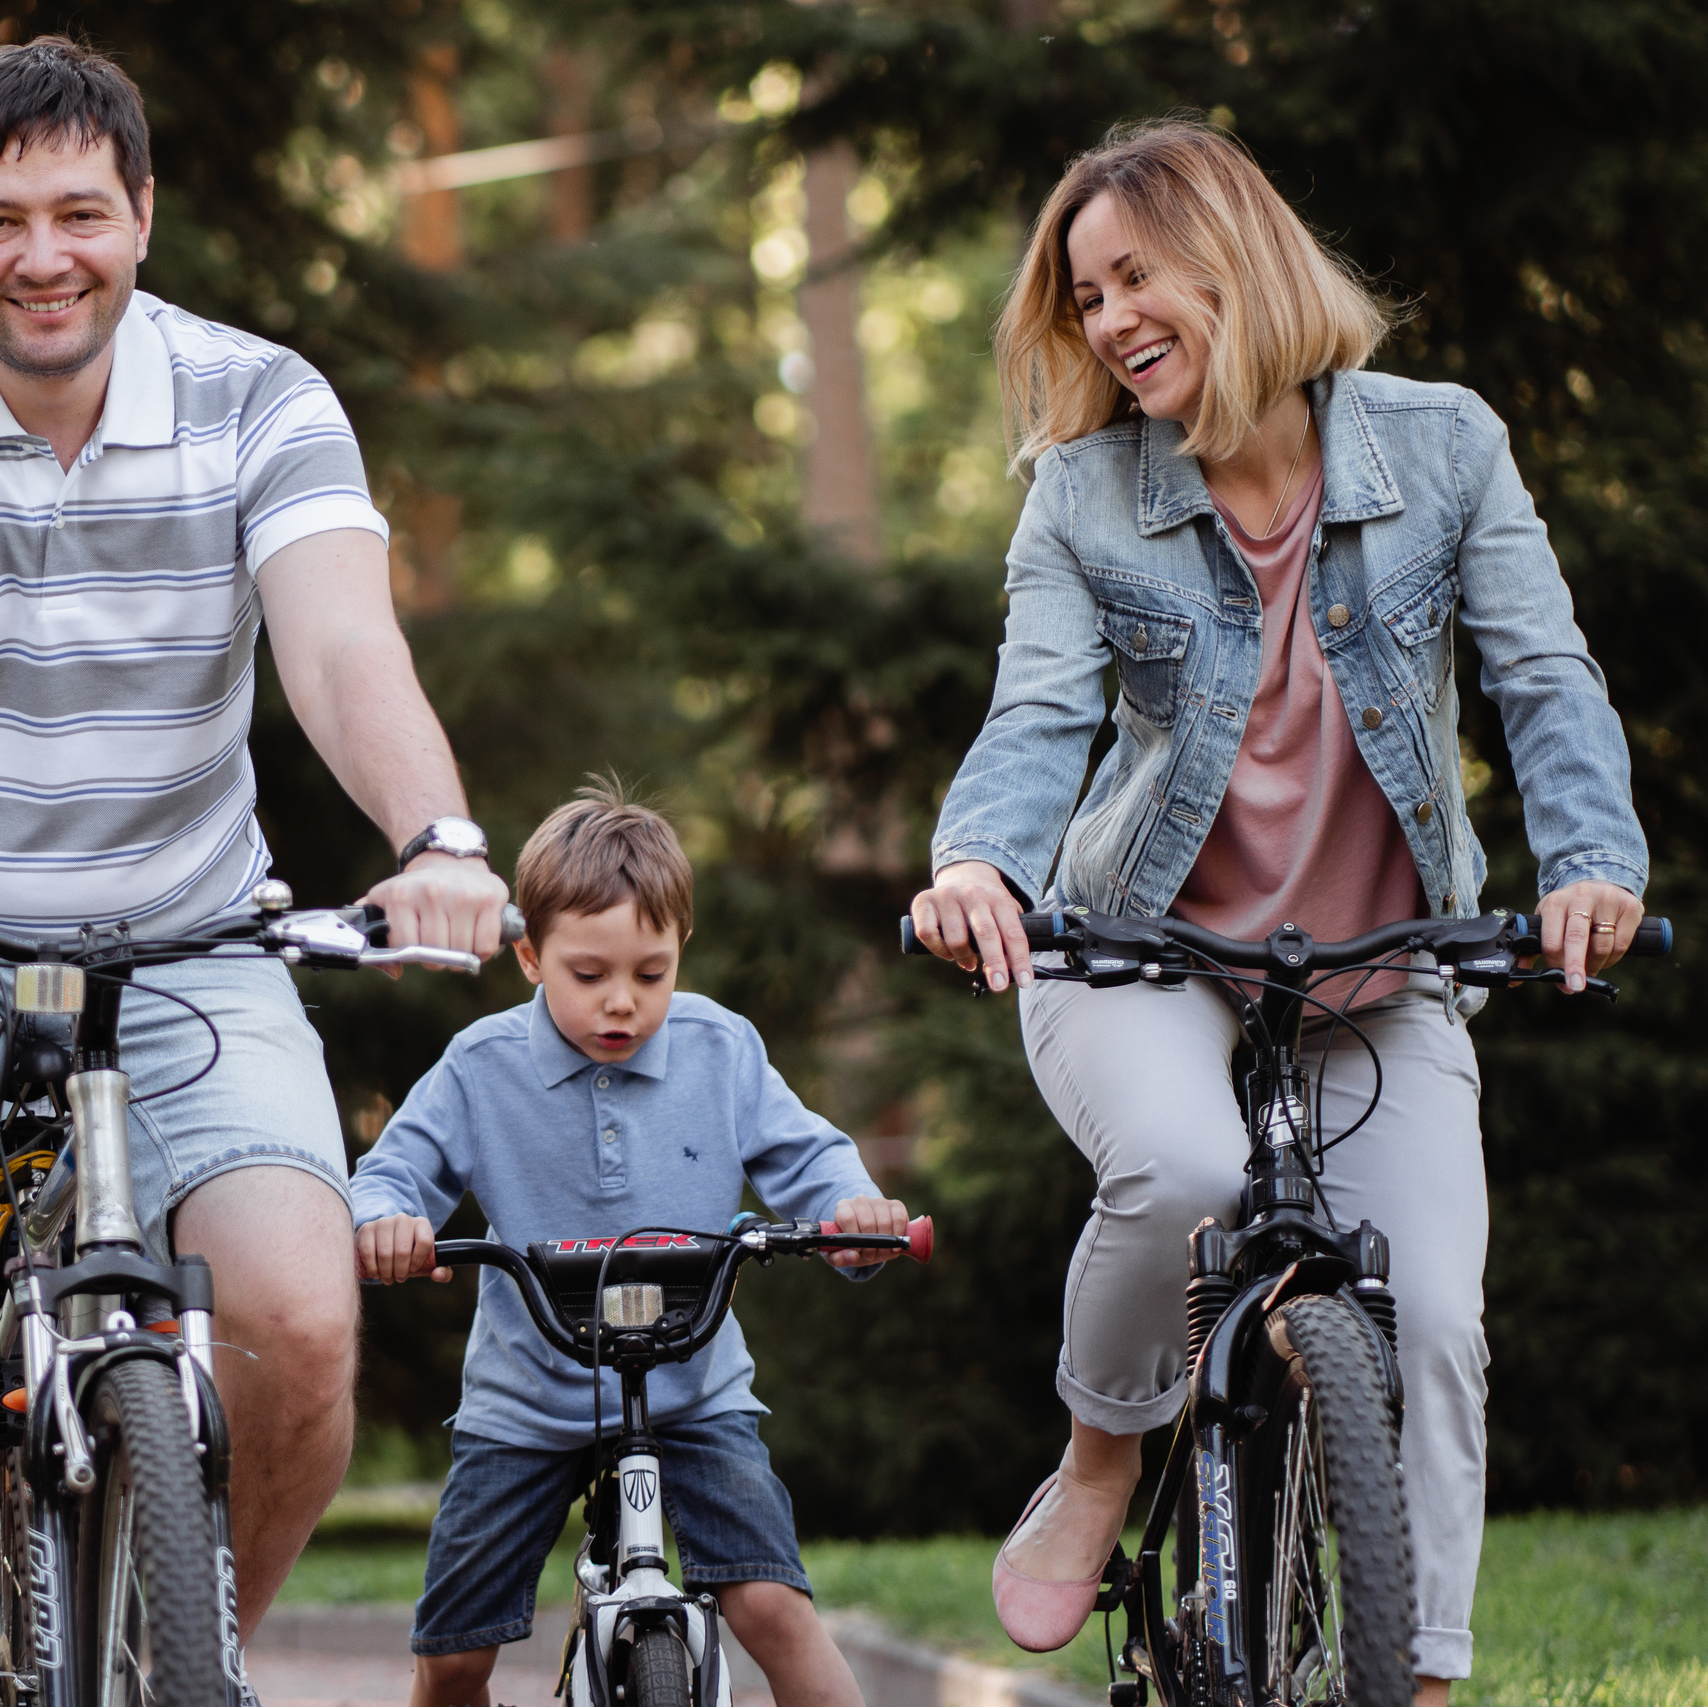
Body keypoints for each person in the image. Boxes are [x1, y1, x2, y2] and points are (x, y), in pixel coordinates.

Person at [0, 38, 512, 1707]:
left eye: (79, 212)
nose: (43, 256)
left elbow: (342, 648)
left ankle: (183, 1652)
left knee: (300, 1321)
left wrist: (440, 839)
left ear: (143, 215)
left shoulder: (259, 398)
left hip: (191, 947)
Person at [906, 121, 1648, 1700]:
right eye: (1086, 297)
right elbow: (1039, 714)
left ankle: (1415, 1678)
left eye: (1135, 277)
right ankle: (1103, 1452)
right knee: (1183, 1165)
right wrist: (980, 862)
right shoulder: (1083, 497)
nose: (1111, 320)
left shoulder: (1444, 447)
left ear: (1232, 260)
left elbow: (1544, 674)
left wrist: (1592, 858)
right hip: (1141, 952)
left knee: (1432, 1319)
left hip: (1380, 974)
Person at [351, 783, 909, 1707]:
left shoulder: (721, 1049)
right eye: (588, 974)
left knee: (774, 1606)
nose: (623, 1002)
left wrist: (853, 1213)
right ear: (529, 955)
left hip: (693, 1390)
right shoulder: (481, 1067)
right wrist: (386, 1221)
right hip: (526, 1401)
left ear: (681, 947)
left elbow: (810, 1158)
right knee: (452, 1659)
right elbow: (391, 1173)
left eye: (653, 974)